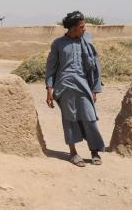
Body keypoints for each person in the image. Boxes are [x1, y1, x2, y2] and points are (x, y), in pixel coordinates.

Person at [44, 11, 105, 167]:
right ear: (72, 28)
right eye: (81, 27)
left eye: (84, 26)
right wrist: (49, 89)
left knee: (90, 118)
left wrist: (95, 87)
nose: (84, 29)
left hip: (84, 85)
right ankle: (73, 153)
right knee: (69, 119)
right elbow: (51, 67)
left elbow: (95, 64)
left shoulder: (87, 39)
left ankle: (95, 151)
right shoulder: (58, 44)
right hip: (65, 86)